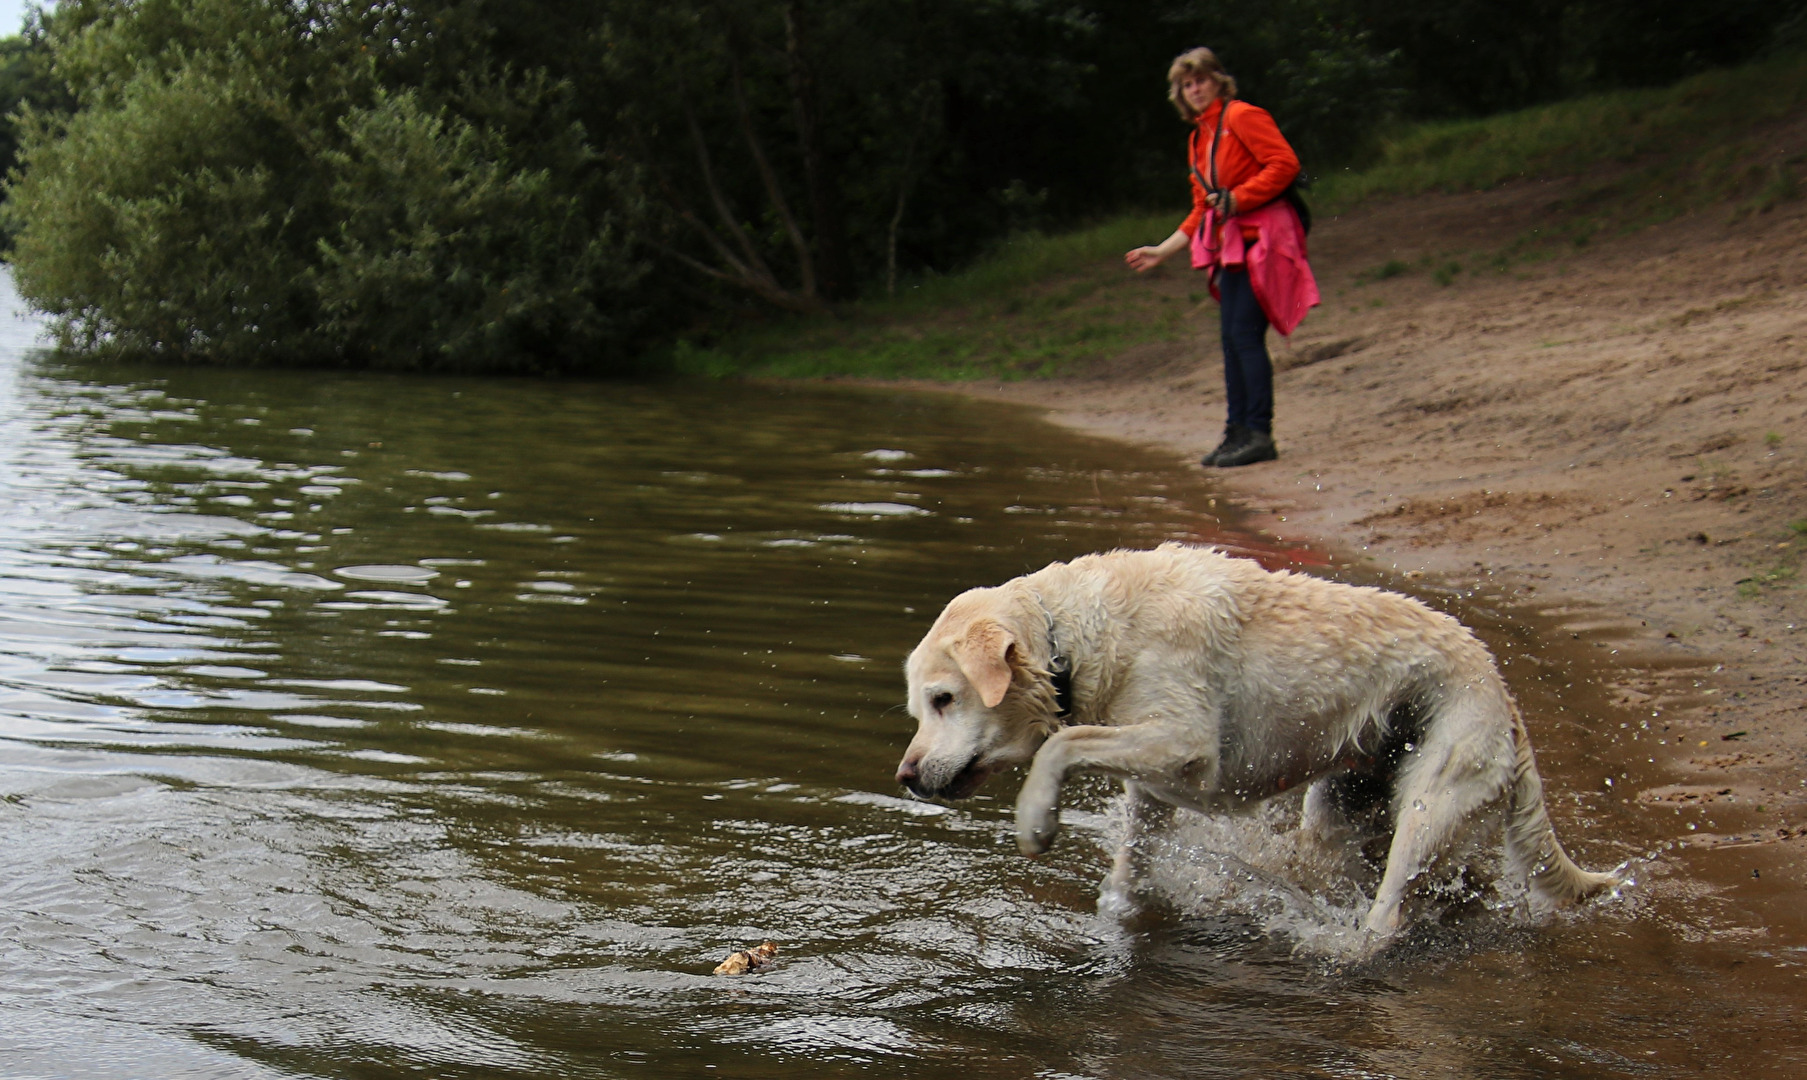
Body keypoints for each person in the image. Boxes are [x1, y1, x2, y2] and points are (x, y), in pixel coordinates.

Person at [1125, 47, 1319, 468]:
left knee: (1244, 335)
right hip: (1232, 245)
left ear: (1218, 80)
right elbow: (1202, 207)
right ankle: (1236, 433)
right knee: (1231, 338)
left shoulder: (1242, 116)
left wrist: (1239, 198)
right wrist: (1162, 250)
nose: (1195, 89)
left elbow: (1284, 164)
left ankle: (1259, 434)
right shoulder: (1199, 138)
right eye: (1186, 84)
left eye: (1201, 80)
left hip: (1265, 238)